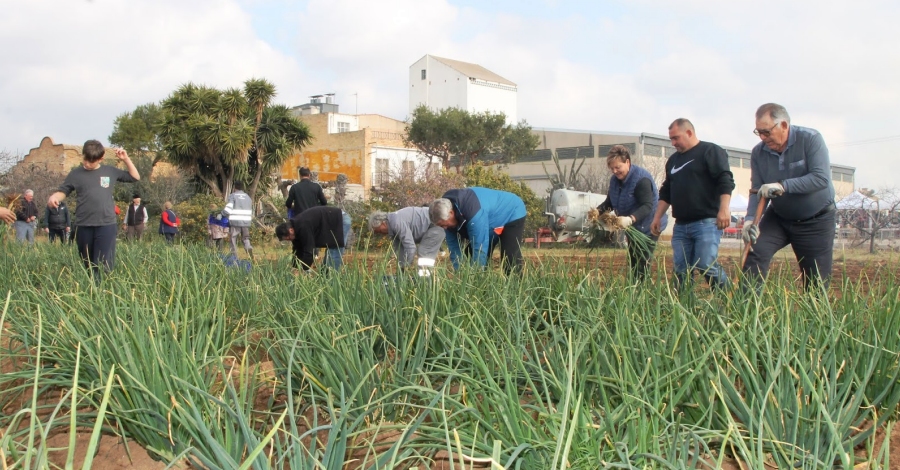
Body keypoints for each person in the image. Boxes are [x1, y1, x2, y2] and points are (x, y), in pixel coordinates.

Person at [742, 103, 836, 291]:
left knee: (816, 280)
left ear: (783, 125)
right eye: (758, 132)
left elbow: (821, 178)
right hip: (779, 217)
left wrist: (782, 186)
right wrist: (750, 219)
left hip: (815, 220)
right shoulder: (759, 152)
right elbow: (757, 190)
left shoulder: (811, 139)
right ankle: (745, 311)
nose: (762, 137)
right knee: (756, 251)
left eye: (766, 132)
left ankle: (814, 318)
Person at [650, 118, 734, 291]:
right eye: (671, 139)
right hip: (681, 226)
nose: (673, 143)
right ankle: (683, 307)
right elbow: (667, 191)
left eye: (676, 138)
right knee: (681, 270)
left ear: (689, 132)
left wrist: (724, 208)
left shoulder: (710, 151)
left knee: (705, 264)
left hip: (706, 222)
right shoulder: (673, 161)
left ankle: (729, 298)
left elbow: (725, 179)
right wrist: (657, 216)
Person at [47, 140, 140, 281]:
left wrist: (126, 159)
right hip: (84, 224)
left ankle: (103, 293)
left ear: (101, 158)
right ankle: (91, 290)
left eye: (92, 161)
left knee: (103, 263)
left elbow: (135, 177)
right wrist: (55, 197)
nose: (87, 163)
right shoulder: (75, 174)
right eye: (85, 159)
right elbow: (63, 191)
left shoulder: (110, 171)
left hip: (106, 224)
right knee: (88, 263)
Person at [597, 145, 667, 282]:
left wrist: (630, 219)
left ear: (627, 162)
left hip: (649, 226)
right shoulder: (615, 181)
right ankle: (635, 290)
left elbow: (647, 206)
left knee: (642, 262)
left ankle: (642, 292)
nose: (615, 171)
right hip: (633, 228)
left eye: (618, 167)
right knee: (633, 260)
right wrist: (597, 212)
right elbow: (610, 202)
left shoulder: (641, 179)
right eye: (612, 168)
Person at [428, 187, 526, 274]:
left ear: (451, 212)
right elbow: (454, 249)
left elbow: (479, 247)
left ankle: (516, 288)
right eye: (441, 226)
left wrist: (474, 278)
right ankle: (484, 290)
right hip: (490, 221)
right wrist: (459, 273)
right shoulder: (446, 217)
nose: (444, 228)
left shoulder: (472, 210)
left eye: (443, 224)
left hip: (511, 212)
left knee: (509, 258)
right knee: (469, 255)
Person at [368, 207, 445, 274]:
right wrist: (401, 269)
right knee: (419, 252)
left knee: (424, 251)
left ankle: (425, 280)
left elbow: (410, 247)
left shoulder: (396, 223)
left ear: (383, 223)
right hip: (430, 225)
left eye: (380, 231)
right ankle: (421, 279)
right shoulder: (392, 227)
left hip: (436, 224)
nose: (381, 234)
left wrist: (406, 267)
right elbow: (400, 249)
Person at [275, 206, 351, 272]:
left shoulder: (302, 226)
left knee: (334, 251)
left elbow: (308, 250)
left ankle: (331, 280)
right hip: (330, 221)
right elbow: (297, 250)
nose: (289, 240)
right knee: (330, 253)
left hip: (339, 219)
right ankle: (325, 277)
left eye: (288, 238)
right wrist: (295, 267)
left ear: (290, 230)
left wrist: (303, 270)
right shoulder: (296, 228)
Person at [223, 181, 254, 260]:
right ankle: (248, 248)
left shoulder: (233, 196)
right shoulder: (247, 197)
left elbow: (228, 208)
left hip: (235, 222)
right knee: (245, 238)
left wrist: (222, 214)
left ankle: (234, 256)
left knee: (233, 238)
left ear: (234, 188)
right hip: (246, 222)